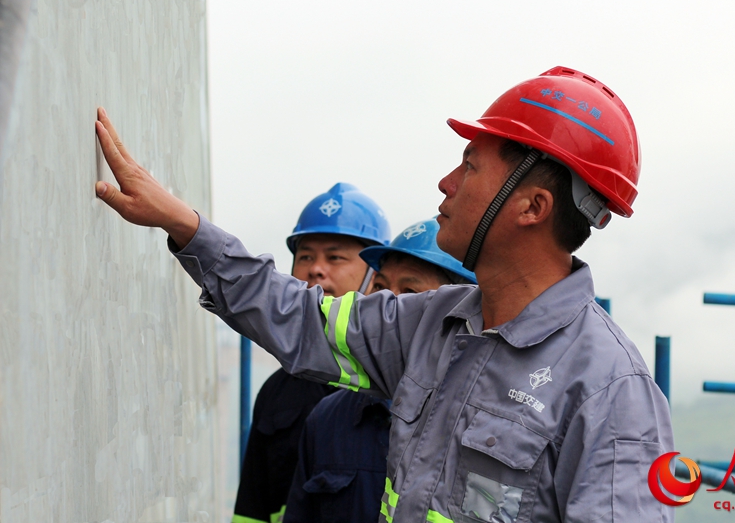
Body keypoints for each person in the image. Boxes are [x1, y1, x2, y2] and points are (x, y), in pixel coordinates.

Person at [94, 66, 676, 522]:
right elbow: (296, 317)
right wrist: (185, 226)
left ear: (532, 207)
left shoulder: (611, 394)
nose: (446, 183)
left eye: (470, 167)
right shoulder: (429, 327)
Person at [283, 218, 476, 523]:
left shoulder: (483, 428)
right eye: (380, 286)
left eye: (410, 291)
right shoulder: (329, 418)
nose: (387, 304)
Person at [233, 183, 391, 523]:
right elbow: (251, 509)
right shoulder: (277, 390)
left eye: (335, 257)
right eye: (305, 256)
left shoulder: (399, 387)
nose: (316, 269)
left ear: (375, 277)